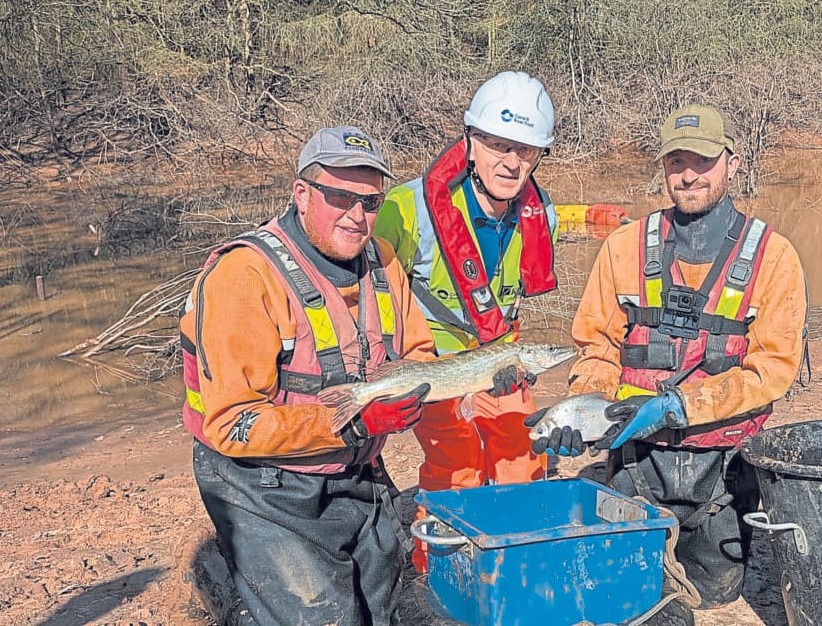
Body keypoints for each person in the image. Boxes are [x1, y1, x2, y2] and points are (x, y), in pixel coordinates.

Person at [531, 104, 808, 624]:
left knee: (717, 594)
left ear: (733, 163)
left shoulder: (774, 257)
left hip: (724, 468)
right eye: (676, 161)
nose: (688, 175)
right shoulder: (622, 248)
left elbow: (773, 370)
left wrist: (676, 406)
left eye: (702, 161)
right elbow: (596, 349)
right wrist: (582, 411)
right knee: (632, 596)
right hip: (637, 460)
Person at [179, 126, 436, 625]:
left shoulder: (382, 260)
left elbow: (420, 353)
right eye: (340, 196)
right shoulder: (244, 276)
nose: (356, 216)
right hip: (258, 482)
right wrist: (357, 423)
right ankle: (241, 590)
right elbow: (232, 423)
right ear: (301, 193)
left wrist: (459, 384)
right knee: (326, 617)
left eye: (370, 202)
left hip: (353, 471)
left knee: (378, 608)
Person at [374, 71, 559, 572]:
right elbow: (365, 290)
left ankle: (515, 555)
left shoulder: (543, 218)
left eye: (526, 149)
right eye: (498, 144)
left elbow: (513, 303)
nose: (512, 161)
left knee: (521, 454)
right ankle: (436, 565)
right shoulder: (404, 209)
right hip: (430, 361)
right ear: (470, 142)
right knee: (457, 464)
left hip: (499, 356)